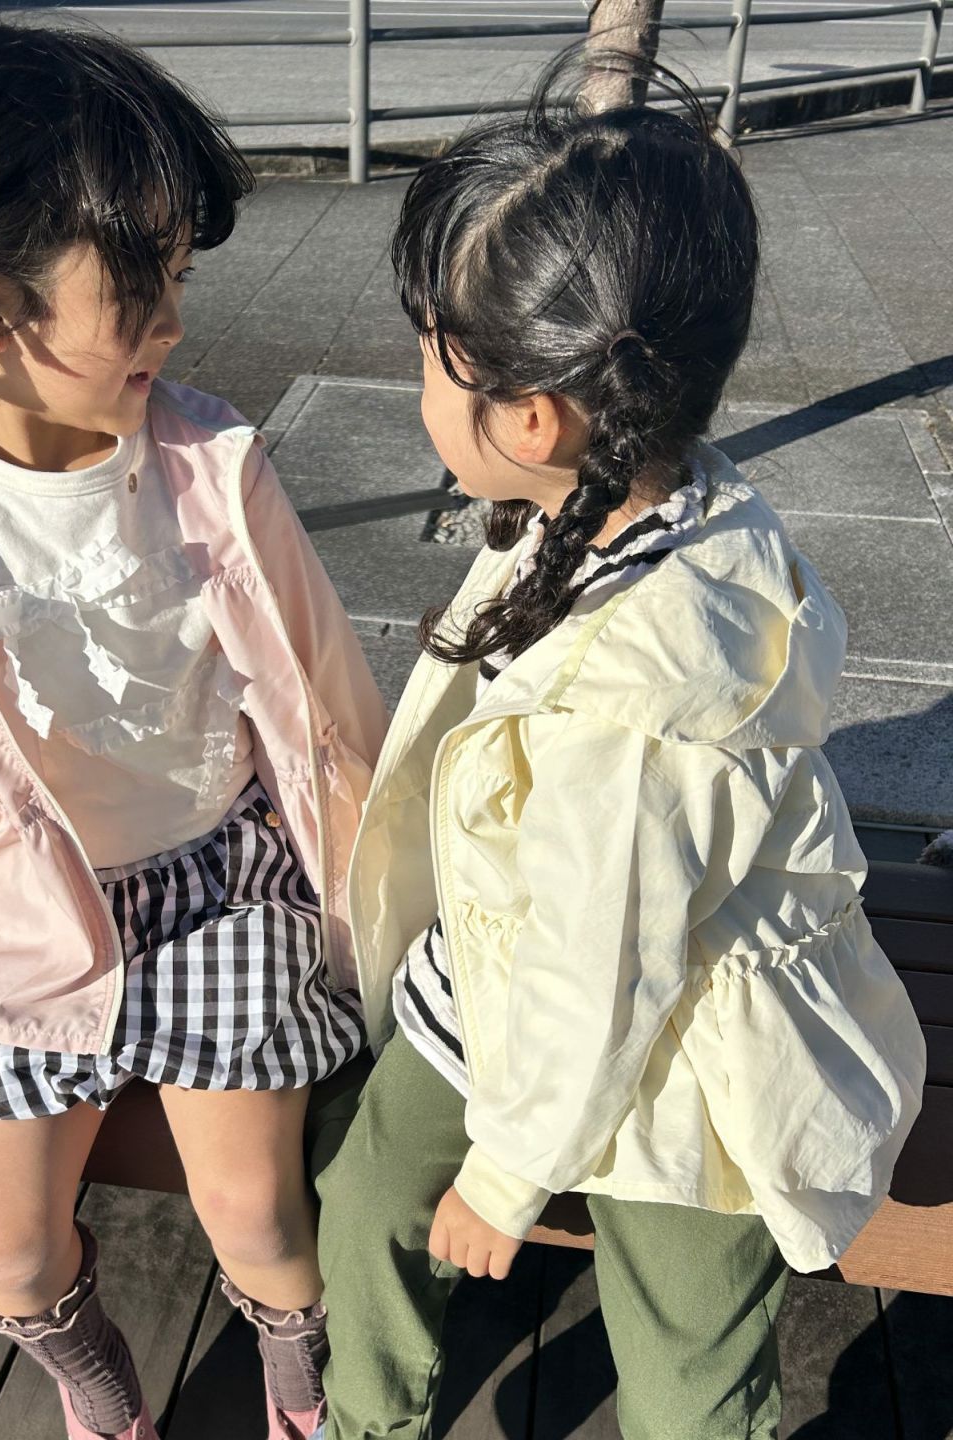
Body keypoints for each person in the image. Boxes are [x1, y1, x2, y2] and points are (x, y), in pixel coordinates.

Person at [0, 25, 386, 1440]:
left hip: (223, 886)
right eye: (140, 287)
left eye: (179, 278)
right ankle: (95, 1384)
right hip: (10, 921)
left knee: (257, 1212)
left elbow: (323, 696)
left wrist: (378, 885)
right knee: (6, 1251)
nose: (171, 323)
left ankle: (303, 1389)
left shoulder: (209, 461)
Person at [314, 53, 926, 1440]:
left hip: (694, 1060)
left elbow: (606, 975)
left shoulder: (635, 710)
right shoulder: (629, 500)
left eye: (431, 358)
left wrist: (505, 1180)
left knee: (688, 1354)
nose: (418, 386)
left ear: (532, 417)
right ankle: (367, 1418)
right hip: (499, 986)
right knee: (365, 1201)